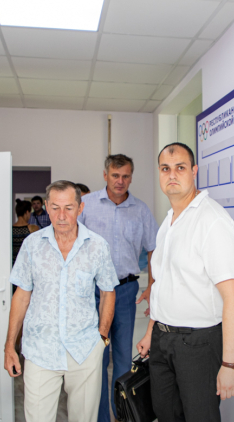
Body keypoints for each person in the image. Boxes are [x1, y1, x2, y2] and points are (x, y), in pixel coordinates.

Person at [137, 143, 234, 422]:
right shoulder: (169, 221)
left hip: (198, 344)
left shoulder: (211, 220)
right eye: (165, 168)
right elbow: (163, 283)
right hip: (163, 339)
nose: (172, 174)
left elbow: (232, 297)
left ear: (194, 171)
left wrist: (230, 364)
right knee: (166, 415)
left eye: (180, 168)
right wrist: (151, 331)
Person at [5, 180, 120, 422]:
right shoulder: (32, 245)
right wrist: (9, 346)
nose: (61, 215)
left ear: (80, 208)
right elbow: (21, 296)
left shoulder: (97, 246)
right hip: (40, 350)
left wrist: (101, 338)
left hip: (84, 349)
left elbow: (108, 292)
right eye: (55, 207)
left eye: (68, 208)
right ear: (46, 207)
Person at [79, 154, 159, 422]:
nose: (120, 181)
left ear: (131, 177)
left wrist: (152, 285)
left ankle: (123, 416)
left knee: (124, 359)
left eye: (125, 176)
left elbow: (153, 248)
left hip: (125, 290)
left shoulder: (141, 210)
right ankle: (103, 418)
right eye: (115, 175)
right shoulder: (87, 205)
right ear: (105, 175)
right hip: (93, 293)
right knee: (97, 359)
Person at [13, 199, 32, 266]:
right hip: (27, 264)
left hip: (13, 264)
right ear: (27, 212)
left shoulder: (11, 229)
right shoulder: (33, 228)